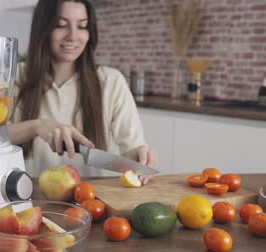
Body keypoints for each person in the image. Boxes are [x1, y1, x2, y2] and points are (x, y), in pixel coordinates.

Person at [8, 0, 158, 184]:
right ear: (43, 28)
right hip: (27, 197)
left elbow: (132, 147)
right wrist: (37, 126)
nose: (73, 36)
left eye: (82, 26)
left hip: (87, 199)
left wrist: (140, 157)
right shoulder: (13, 77)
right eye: (61, 25)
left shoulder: (111, 81)